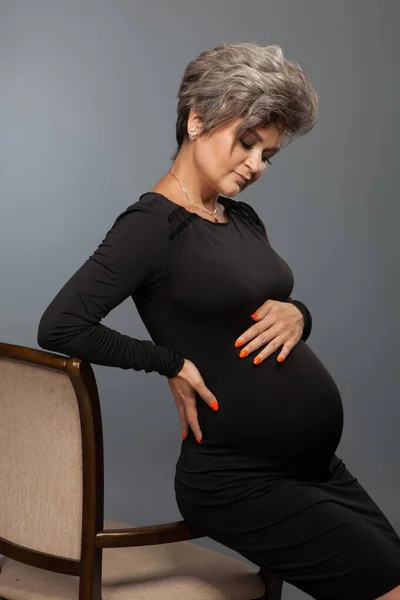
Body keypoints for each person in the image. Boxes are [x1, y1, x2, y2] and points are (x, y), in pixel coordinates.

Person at [37, 42, 400, 600]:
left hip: (316, 468)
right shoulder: (151, 225)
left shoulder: (243, 218)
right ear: (197, 119)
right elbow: (61, 325)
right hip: (238, 480)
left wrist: (300, 314)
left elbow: (263, 305)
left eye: (268, 154)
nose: (256, 165)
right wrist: (171, 363)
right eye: (248, 143)